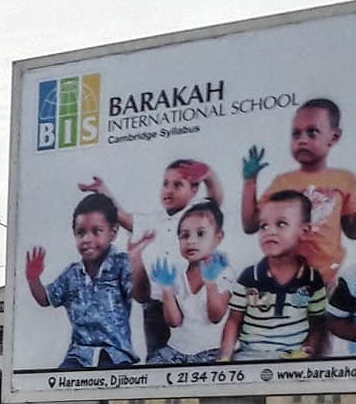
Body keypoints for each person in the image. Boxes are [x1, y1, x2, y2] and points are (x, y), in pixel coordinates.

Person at [80, 159, 224, 359]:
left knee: (190, 348)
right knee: (157, 355)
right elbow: (122, 217)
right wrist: (103, 191)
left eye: (177, 185)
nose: (169, 190)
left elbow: (215, 201)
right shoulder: (152, 220)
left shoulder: (194, 217)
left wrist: (208, 176)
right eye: (166, 184)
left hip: (186, 299)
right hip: (156, 301)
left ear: (193, 190)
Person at [25, 193, 152, 368]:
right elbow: (45, 299)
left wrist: (136, 260)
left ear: (113, 232)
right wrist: (33, 278)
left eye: (96, 231)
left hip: (115, 355)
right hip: (79, 356)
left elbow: (142, 295)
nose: (87, 239)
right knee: (61, 385)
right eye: (81, 233)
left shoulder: (121, 264)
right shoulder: (72, 274)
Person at [242, 98, 356, 292]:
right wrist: (250, 181)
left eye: (312, 132)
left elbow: (352, 231)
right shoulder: (282, 182)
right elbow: (251, 224)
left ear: (334, 136)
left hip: (326, 280)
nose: (302, 139)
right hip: (284, 280)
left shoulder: (344, 179)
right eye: (296, 134)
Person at [219, 191, 327, 361]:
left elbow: (317, 323)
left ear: (304, 231)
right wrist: (224, 359)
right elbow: (233, 321)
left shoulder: (312, 279)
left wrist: (308, 352)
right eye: (264, 226)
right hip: (250, 356)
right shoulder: (249, 277)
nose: (270, 232)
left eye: (281, 224)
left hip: (293, 359)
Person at [146, 202, 235, 364]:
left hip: (209, 352)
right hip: (176, 349)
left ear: (218, 237)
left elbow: (216, 316)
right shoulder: (177, 274)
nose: (191, 241)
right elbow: (174, 322)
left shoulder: (223, 272)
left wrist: (210, 282)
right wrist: (166, 288)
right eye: (185, 235)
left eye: (201, 234)